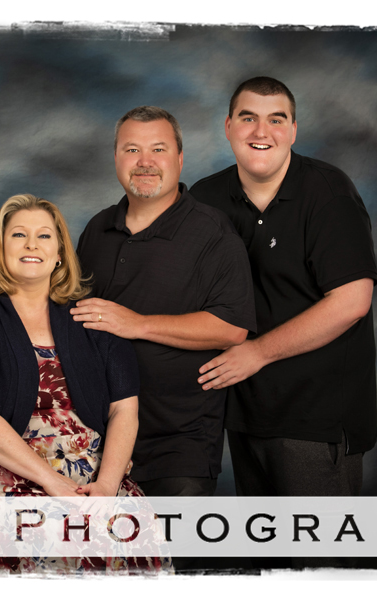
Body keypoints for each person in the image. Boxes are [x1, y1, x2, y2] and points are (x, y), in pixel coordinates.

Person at [0, 194, 168, 574]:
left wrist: (108, 486)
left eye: (44, 236)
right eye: (18, 236)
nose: (31, 245)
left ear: (59, 252)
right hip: (2, 473)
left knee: (136, 530)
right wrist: (53, 483)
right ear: (0, 249)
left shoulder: (92, 316)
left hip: (94, 476)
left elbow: (125, 409)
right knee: (57, 537)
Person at [189, 76, 377, 503]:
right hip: (242, 414)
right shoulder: (206, 198)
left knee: (318, 564)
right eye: (248, 118)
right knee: (265, 561)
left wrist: (256, 353)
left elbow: (352, 302)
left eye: (276, 120)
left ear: (293, 130)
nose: (261, 132)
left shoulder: (328, 195)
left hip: (317, 419)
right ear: (228, 127)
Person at [73, 106, 256, 501]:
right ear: (117, 158)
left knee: (177, 561)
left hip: (179, 445)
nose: (145, 162)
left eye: (158, 149)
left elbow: (232, 327)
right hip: (96, 442)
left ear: (179, 158)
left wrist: (138, 324)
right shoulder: (97, 228)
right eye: (131, 149)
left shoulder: (212, 234)